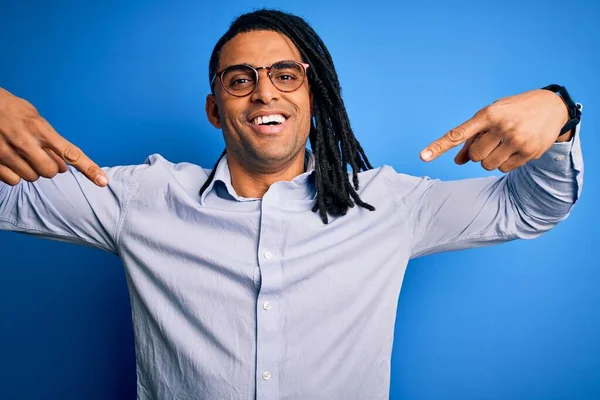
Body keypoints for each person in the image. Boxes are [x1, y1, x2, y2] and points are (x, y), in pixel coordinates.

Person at [0, 8, 583, 400]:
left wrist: (559, 112)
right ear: (214, 108)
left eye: (286, 74)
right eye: (239, 79)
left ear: (314, 95)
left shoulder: (387, 206)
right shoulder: (139, 200)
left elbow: (530, 208)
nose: (264, 92)